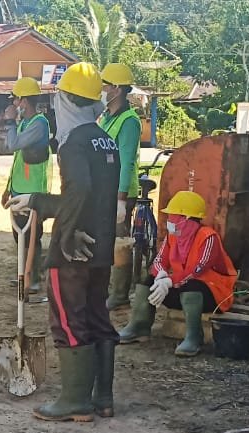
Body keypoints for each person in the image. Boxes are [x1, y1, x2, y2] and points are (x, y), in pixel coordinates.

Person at [5, 63, 121, 421]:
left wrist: (66, 230)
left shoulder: (73, 144)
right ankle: (103, 398)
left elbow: (80, 190)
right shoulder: (107, 141)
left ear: (67, 101)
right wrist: (39, 200)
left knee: (69, 321)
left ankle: (74, 401)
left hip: (74, 250)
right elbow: (93, 195)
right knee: (98, 317)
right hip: (100, 246)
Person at [117, 191, 237, 357]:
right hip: (182, 289)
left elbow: (197, 271)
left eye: (173, 215)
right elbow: (159, 261)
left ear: (186, 218)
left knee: (192, 286)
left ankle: (194, 337)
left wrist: (169, 282)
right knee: (149, 281)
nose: (169, 220)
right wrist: (160, 277)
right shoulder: (173, 236)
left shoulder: (209, 238)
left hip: (214, 296)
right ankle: (139, 327)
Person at [99, 63, 143, 310]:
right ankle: (108, 289)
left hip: (120, 192)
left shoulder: (129, 121)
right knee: (107, 241)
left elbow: (126, 163)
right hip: (105, 191)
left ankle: (119, 293)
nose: (101, 89)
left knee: (120, 242)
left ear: (116, 89)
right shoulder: (106, 117)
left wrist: (121, 200)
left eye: (105, 85)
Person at [0, 77, 51, 295]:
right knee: (19, 235)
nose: (13, 105)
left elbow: (13, 144)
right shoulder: (27, 123)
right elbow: (17, 158)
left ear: (24, 101)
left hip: (33, 191)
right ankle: (24, 274)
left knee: (31, 235)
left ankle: (34, 278)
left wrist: (9, 121)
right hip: (19, 188)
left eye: (16, 100)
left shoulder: (39, 124)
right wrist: (8, 187)